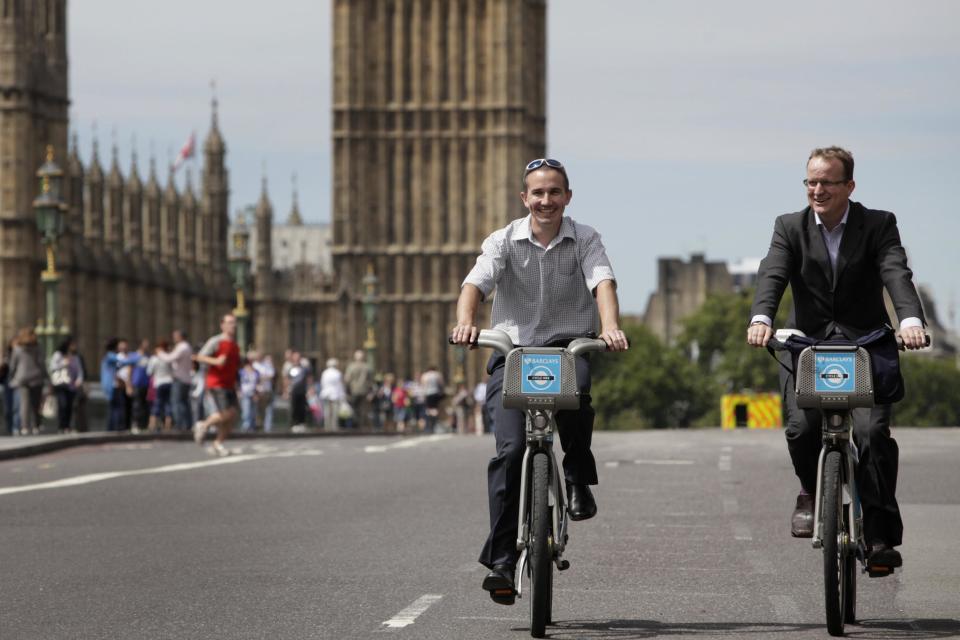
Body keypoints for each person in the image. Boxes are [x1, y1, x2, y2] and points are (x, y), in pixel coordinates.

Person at [450, 157, 629, 604]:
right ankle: (503, 561)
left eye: (554, 192)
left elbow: (603, 282)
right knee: (510, 452)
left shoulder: (585, 238)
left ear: (567, 197)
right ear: (524, 197)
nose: (546, 200)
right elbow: (475, 283)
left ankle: (576, 476)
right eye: (538, 193)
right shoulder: (503, 240)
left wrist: (609, 327)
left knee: (578, 397)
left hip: (567, 344)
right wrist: (467, 322)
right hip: (513, 351)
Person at [747, 146, 927, 573]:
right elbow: (772, 271)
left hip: (866, 344)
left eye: (827, 181)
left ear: (849, 185)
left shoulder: (878, 224)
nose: (817, 189)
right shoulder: (788, 227)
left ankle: (879, 535)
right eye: (811, 181)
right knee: (799, 427)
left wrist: (911, 319)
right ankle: (811, 491)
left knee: (873, 435)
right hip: (807, 346)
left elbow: (895, 272)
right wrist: (761, 317)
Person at [192, 314, 242, 456]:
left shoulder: (234, 344)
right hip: (216, 382)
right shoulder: (216, 341)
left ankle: (218, 443)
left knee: (232, 417)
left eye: (234, 322)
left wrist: (236, 384)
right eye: (230, 322)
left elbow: (234, 367)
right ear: (222, 325)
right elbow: (198, 356)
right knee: (227, 413)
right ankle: (204, 425)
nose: (233, 325)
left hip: (229, 384)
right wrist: (216, 361)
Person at [8, 327, 47, 435]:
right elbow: (41, 363)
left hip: (22, 378)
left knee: (24, 405)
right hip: (36, 378)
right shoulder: (37, 347)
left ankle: (25, 427)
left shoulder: (17, 348)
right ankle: (36, 425)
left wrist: (12, 376)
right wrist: (45, 376)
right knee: (36, 404)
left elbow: (13, 365)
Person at [158, 329, 193, 430]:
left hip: (180, 379)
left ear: (180, 337)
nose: (174, 338)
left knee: (177, 402)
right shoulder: (187, 347)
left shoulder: (182, 347)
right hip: (186, 379)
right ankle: (187, 424)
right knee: (184, 403)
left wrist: (160, 353)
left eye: (175, 336)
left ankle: (180, 424)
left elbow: (169, 358)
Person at [48, 337, 84, 434]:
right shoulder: (58, 355)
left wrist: (79, 380)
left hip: (72, 385)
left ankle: (67, 426)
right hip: (61, 384)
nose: (74, 347)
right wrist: (63, 363)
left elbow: (79, 370)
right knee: (62, 404)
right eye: (72, 345)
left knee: (69, 406)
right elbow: (52, 367)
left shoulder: (76, 357)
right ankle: (61, 426)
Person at [147, 339, 174, 432]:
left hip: (159, 382)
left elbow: (149, 372)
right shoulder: (169, 357)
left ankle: (152, 425)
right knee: (168, 404)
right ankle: (168, 427)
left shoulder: (154, 359)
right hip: (169, 382)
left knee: (157, 404)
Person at [343, 349, 374, 428]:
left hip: (354, 390)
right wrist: (370, 392)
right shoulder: (367, 367)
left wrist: (346, 390)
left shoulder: (351, 366)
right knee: (363, 409)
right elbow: (371, 381)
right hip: (364, 390)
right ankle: (362, 424)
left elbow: (347, 379)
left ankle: (355, 424)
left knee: (354, 408)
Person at [319, 357, 345, 431]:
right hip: (335, 394)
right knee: (334, 412)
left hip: (326, 393)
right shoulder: (337, 373)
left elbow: (322, 383)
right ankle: (334, 427)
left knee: (327, 411)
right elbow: (340, 385)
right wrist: (342, 395)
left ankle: (327, 426)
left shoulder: (324, 373)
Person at [253, 353, 276, 432]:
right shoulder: (254, 365)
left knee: (268, 409)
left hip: (267, 390)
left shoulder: (267, 364)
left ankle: (267, 428)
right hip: (258, 391)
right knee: (258, 410)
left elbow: (271, 375)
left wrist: (262, 377)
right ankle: (257, 426)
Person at [419, 365, 445, 433]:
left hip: (428, 393)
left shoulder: (425, 375)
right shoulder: (437, 374)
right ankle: (434, 423)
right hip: (435, 393)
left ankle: (429, 425)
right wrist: (441, 392)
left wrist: (423, 394)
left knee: (428, 409)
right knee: (435, 409)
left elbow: (423, 384)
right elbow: (441, 383)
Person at [238, 357, 259, 433]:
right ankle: (246, 426)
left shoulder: (256, 372)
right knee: (246, 410)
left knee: (253, 411)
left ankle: (252, 426)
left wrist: (257, 393)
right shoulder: (241, 372)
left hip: (253, 393)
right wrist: (238, 391)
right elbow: (238, 383)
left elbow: (257, 383)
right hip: (245, 393)